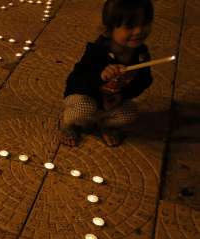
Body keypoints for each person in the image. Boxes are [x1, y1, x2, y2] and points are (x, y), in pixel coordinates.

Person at [60, 0, 154, 147]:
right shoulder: (97, 51)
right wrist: (100, 76)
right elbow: (74, 82)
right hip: (85, 98)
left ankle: (105, 125)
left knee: (131, 113)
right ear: (109, 30)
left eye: (144, 23)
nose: (138, 31)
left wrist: (127, 89)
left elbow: (145, 81)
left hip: (110, 105)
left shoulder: (141, 55)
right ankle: (68, 124)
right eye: (130, 26)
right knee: (84, 108)